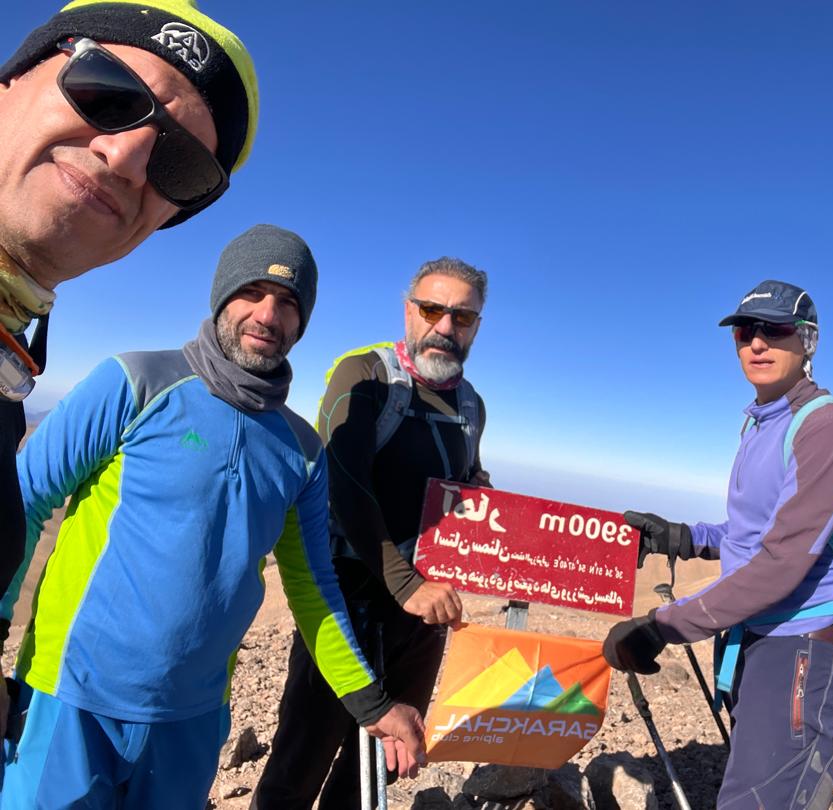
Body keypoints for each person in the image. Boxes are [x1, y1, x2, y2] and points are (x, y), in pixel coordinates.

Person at [0, 225, 426, 808]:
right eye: (252, 291)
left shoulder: (302, 451)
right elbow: (21, 501)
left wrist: (370, 704)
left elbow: (313, 587)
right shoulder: (134, 383)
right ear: (222, 294)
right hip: (69, 696)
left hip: (192, 721)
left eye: (289, 302)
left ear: (302, 322)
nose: (268, 314)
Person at [0, 0, 260, 731]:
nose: (126, 158)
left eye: (179, 164)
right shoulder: (132, 385)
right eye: (107, 91)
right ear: (12, 78)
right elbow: (35, 496)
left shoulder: (13, 368)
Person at [604, 280, 833, 809]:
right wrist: (684, 537)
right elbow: (754, 532)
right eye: (744, 331)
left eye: (775, 330)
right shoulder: (764, 423)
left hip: (810, 649)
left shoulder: (830, 427)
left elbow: (781, 563)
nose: (757, 343)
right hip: (766, 640)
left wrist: (662, 627)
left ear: (808, 341)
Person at [252, 257, 491, 809]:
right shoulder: (365, 375)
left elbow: (457, 480)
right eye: (432, 310)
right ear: (409, 311)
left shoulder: (471, 406)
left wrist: (477, 491)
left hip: (422, 618)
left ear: (476, 326)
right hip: (349, 597)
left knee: (380, 766)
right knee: (303, 755)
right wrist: (406, 585)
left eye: (462, 317)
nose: (445, 327)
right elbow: (345, 484)